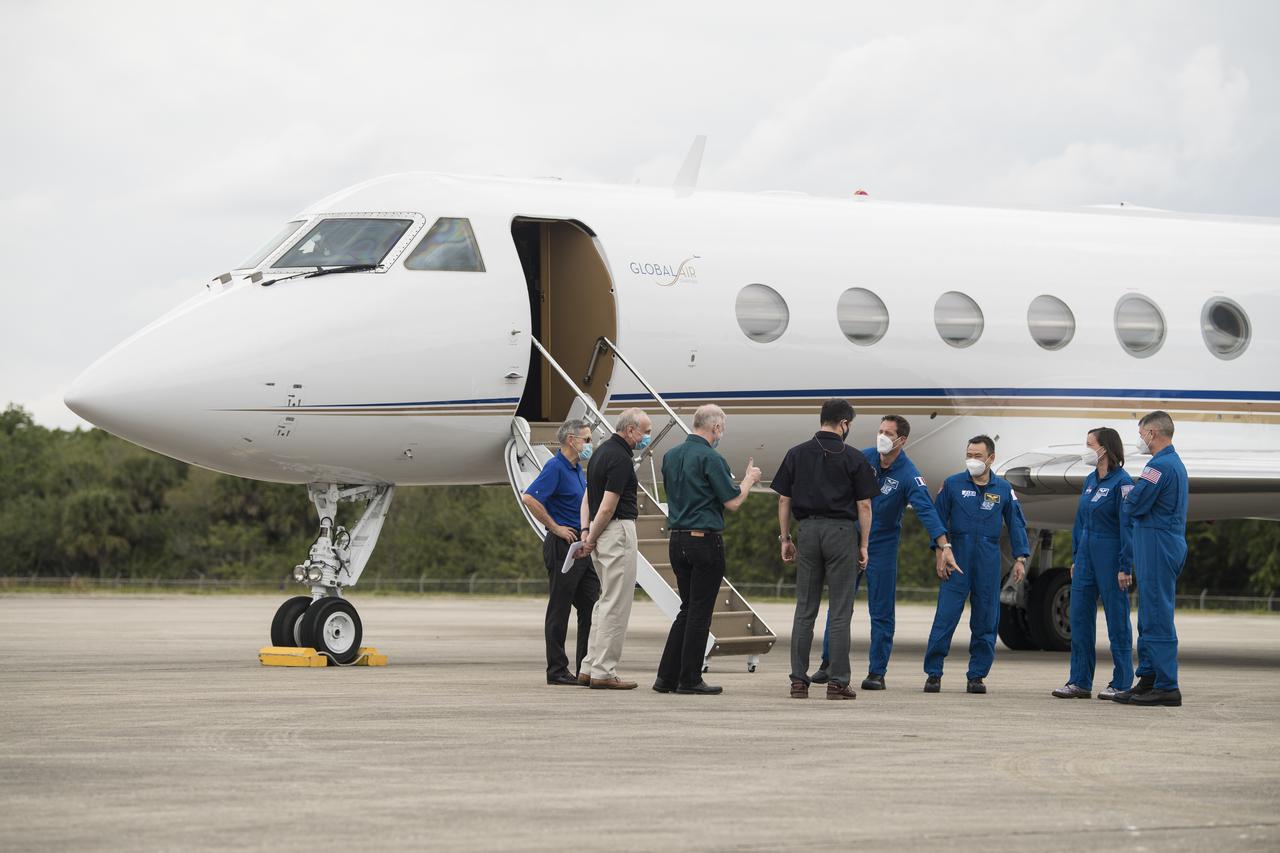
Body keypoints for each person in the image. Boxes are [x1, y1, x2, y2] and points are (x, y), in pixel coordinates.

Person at [812, 415, 954, 690]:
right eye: (880, 431)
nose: (882, 437)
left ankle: (877, 672)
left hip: (883, 547)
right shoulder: (862, 458)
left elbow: (926, 510)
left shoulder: (909, 474)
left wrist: (942, 544)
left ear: (901, 440)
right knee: (840, 606)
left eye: (888, 433)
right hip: (850, 542)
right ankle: (828, 663)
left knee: (882, 612)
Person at [654, 405, 762, 695]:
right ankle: (689, 678)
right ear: (715, 428)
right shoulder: (711, 458)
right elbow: (733, 502)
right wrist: (749, 480)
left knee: (686, 609)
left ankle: (666, 677)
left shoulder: (671, 455)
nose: (721, 434)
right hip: (704, 541)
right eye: (721, 428)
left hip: (677, 539)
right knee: (700, 612)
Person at [773, 399, 877, 700]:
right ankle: (837, 682)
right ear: (844, 423)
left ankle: (798, 680)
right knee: (840, 610)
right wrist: (864, 544)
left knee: (805, 609)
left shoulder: (796, 454)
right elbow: (865, 505)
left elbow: (783, 500)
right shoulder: (854, 457)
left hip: (807, 531)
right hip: (841, 532)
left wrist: (785, 538)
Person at [923, 435, 1030, 694]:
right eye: (969, 454)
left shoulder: (1003, 489)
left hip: (988, 558)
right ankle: (934, 673)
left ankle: (977, 675)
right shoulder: (952, 484)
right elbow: (938, 521)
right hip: (956, 556)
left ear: (991, 458)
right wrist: (940, 551)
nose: (972, 460)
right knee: (945, 617)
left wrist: (1020, 557)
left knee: (985, 620)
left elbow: (1016, 523)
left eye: (978, 456)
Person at [1052, 427, 1135, 701]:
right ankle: (1079, 681)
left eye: (1090, 445)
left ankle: (1122, 682)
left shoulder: (1123, 483)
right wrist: (1077, 558)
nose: (1086, 450)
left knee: (1117, 620)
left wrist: (1126, 565)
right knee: (1080, 619)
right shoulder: (1090, 481)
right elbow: (1081, 523)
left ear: (1105, 448)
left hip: (1111, 558)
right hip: (1086, 558)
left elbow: (1128, 527)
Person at [1114, 411, 1188, 708]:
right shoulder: (1173, 463)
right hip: (1158, 542)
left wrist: (1128, 496)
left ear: (1153, 433)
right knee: (1148, 614)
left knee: (1157, 614)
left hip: (1158, 543)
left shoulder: (1157, 466)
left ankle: (1167, 685)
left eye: (1142, 433)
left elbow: (1134, 504)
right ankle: (1148, 678)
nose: (1140, 439)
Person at [521, 419, 601, 686]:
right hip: (562, 546)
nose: (590, 444)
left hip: (581, 546)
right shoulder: (556, 467)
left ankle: (585, 667)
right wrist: (555, 528)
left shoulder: (578, 469)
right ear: (571, 440)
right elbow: (530, 498)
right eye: (587, 439)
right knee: (560, 608)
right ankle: (556, 670)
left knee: (591, 605)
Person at [578, 408, 652, 690]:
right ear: (630, 430)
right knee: (617, 604)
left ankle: (589, 666)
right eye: (645, 431)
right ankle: (604, 671)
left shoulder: (598, 453)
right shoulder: (621, 459)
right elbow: (608, 506)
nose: (647, 437)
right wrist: (593, 537)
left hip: (599, 531)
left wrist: (587, 532)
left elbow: (588, 499)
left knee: (604, 600)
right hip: (616, 530)